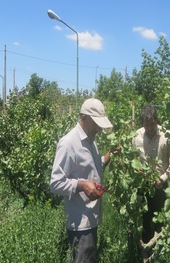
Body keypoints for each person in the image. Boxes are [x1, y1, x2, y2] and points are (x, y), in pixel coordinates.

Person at [50, 98, 118, 262]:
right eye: (96, 123)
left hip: (91, 218)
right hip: (80, 222)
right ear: (83, 117)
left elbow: (94, 167)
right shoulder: (69, 144)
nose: (99, 129)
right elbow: (55, 183)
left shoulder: (91, 141)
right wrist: (81, 185)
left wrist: (110, 155)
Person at [132, 104, 170, 257]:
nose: (150, 127)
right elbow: (133, 160)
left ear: (156, 120)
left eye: (152, 123)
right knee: (145, 219)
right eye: (146, 124)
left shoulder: (167, 136)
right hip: (143, 185)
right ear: (142, 123)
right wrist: (136, 170)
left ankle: (159, 253)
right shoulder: (136, 137)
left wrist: (163, 178)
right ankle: (145, 251)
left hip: (160, 186)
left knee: (160, 220)